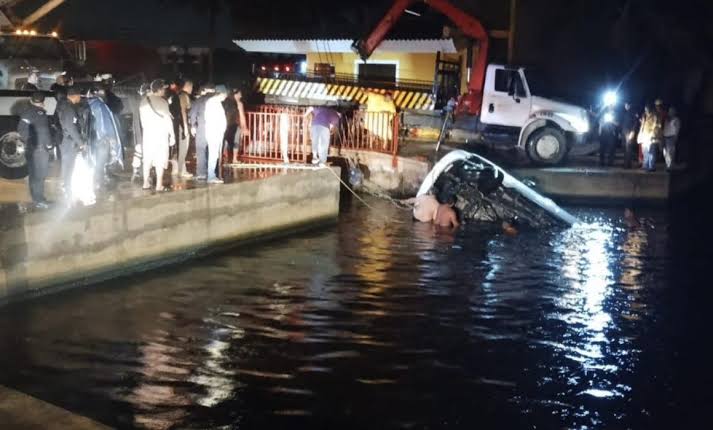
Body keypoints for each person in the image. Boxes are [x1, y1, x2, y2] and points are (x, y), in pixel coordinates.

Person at [17, 91, 52, 208]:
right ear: (43, 102)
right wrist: (49, 145)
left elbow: (21, 130)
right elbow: (44, 132)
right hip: (40, 149)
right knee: (40, 175)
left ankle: (35, 197)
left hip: (30, 149)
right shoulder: (40, 114)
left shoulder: (26, 112)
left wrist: (28, 142)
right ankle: (39, 200)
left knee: (33, 174)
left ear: (31, 100)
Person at [139, 79, 174, 191]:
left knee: (147, 158)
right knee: (160, 160)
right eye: (163, 88)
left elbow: (142, 122)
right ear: (159, 89)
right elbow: (168, 120)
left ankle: (145, 183)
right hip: (160, 135)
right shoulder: (162, 102)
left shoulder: (143, 102)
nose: (164, 90)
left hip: (148, 134)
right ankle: (159, 185)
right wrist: (172, 135)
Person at [87, 89, 123, 189]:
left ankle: (99, 180)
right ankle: (98, 182)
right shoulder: (100, 105)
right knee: (101, 161)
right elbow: (104, 123)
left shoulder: (90, 104)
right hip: (103, 139)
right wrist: (110, 137)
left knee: (99, 161)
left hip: (95, 138)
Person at [57, 86, 86, 200]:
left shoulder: (64, 106)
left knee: (67, 164)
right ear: (75, 96)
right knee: (68, 165)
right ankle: (65, 187)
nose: (80, 98)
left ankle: (65, 185)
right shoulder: (69, 109)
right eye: (79, 95)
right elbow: (70, 127)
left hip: (66, 140)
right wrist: (80, 142)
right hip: (69, 141)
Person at [188, 83, 216, 180]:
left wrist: (193, 126)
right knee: (213, 151)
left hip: (202, 128)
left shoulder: (199, 100)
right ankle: (213, 172)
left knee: (201, 150)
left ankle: (201, 173)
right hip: (214, 128)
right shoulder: (217, 100)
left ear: (205, 90)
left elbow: (192, 114)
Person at [203, 85, 229, 184]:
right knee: (213, 155)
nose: (226, 96)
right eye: (225, 93)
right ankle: (211, 176)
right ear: (221, 93)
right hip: (214, 132)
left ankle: (212, 175)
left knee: (214, 155)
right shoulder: (214, 103)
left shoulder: (214, 102)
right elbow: (214, 119)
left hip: (215, 132)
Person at [176, 79, 193, 177]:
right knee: (184, 147)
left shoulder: (178, 95)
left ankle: (179, 169)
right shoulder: (184, 96)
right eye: (191, 87)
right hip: (182, 125)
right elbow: (183, 111)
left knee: (181, 147)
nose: (192, 89)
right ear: (188, 86)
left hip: (179, 124)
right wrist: (186, 126)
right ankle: (182, 170)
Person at [231, 90, 247, 164]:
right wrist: (244, 127)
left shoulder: (227, 102)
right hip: (236, 125)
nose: (241, 96)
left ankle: (223, 157)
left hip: (228, 125)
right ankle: (234, 159)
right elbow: (242, 116)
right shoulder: (239, 104)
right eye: (239, 94)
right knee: (236, 141)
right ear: (235, 94)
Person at [621, 102, 639, 169]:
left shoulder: (633, 112)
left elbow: (635, 122)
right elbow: (623, 123)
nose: (625, 106)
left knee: (628, 148)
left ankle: (628, 165)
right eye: (625, 105)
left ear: (629, 105)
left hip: (629, 132)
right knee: (626, 149)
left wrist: (633, 131)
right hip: (625, 132)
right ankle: (626, 163)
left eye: (627, 105)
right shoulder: (625, 113)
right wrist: (621, 133)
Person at [663, 107, 681, 171]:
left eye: (672, 111)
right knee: (665, 152)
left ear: (674, 112)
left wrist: (676, 137)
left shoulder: (676, 119)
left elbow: (677, 129)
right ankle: (668, 165)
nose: (670, 112)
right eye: (669, 111)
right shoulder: (667, 119)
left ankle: (670, 166)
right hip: (665, 137)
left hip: (671, 137)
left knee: (670, 152)